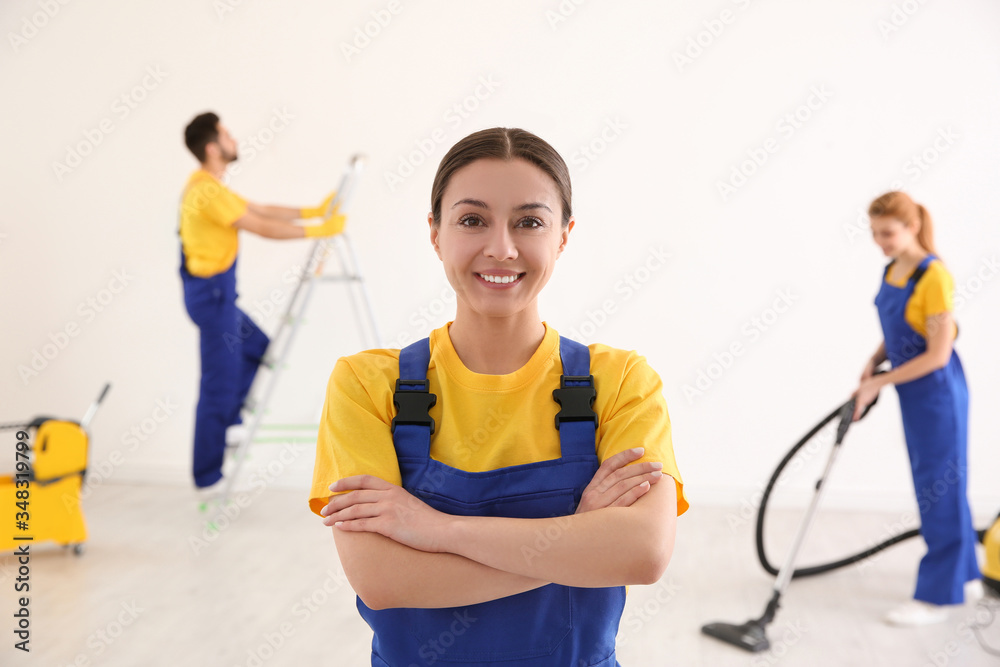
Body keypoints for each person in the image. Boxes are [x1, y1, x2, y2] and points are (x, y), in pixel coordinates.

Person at [309, 127, 687, 665]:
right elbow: (383, 579)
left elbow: (643, 553)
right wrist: (579, 541)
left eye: (529, 222)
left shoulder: (621, 382)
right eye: (472, 220)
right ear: (436, 233)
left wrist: (435, 530)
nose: (502, 248)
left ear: (563, 236)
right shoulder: (369, 386)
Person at [180, 111, 346, 500]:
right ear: (212, 147)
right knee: (216, 386)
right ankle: (207, 478)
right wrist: (318, 231)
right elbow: (259, 227)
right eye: (226, 134)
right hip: (212, 298)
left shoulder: (211, 186)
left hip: (218, 297)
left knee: (258, 347)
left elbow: (259, 210)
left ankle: (233, 421)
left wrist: (311, 211)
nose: (233, 138)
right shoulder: (204, 191)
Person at [853, 191, 980, 626]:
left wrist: (878, 383)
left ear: (911, 227)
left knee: (939, 490)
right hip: (913, 392)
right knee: (941, 484)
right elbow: (898, 326)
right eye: (874, 233)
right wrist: (873, 360)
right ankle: (965, 576)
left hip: (938, 393)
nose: (880, 242)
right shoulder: (894, 268)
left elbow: (938, 355)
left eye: (887, 233)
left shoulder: (934, 277)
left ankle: (937, 597)